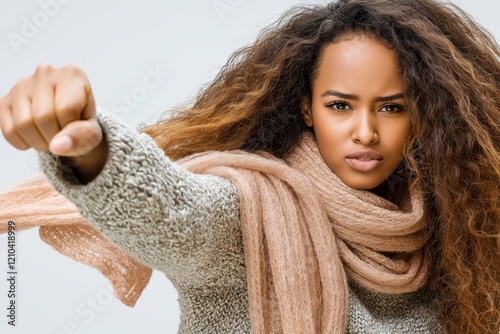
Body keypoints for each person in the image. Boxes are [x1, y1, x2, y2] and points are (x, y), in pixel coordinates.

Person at [0, 0, 498, 333]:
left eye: (391, 107)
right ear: (308, 109)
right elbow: (173, 213)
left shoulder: (454, 235)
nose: (365, 131)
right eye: (340, 106)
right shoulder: (252, 211)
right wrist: (90, 144)